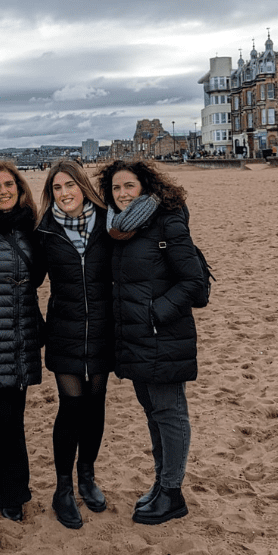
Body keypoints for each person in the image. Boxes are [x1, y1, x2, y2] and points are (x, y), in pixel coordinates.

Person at [98, 160, 207, 525]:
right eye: (115, 188)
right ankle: (162, 484)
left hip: (162, 334)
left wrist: (153, 313)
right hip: (136, 338)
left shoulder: (167, 220)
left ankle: (173, 493)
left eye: (129, 186)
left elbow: (193, 282)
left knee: (170, 412)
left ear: (145, 187)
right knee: (153, 412)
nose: (122, 194)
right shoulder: (119, 228)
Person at [35, 160, 114, 529]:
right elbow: (25, 277)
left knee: (95, 406)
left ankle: (87, 477)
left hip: (102, 329)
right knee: (71, 407)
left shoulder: (109, 223)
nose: (64, 193)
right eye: (57, 188)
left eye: (70, 185)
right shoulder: (44, 231)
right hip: (64, 332)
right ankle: (63, 488)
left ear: (82, 186)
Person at [0, 160, 45, 522]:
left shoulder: (29, 228)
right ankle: (9, 492)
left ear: (19, 189)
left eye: (9, 185)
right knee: (3, 415)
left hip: (25, 332)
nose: (3, 192)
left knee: (9, 413)